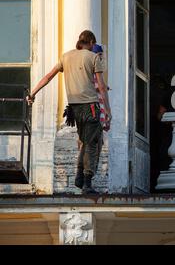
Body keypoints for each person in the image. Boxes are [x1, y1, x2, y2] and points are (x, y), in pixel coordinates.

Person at [27, 30, 112, 194]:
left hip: (74, 109)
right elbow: (101, 86)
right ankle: (87, 183)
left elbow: (48, 76)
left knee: (85, 141)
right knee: (93, 144)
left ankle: (80, 177)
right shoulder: (93, 57)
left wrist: (33, 93)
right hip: (90, 106)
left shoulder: (65, 57)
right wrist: (107, 110)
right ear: (92, 43)